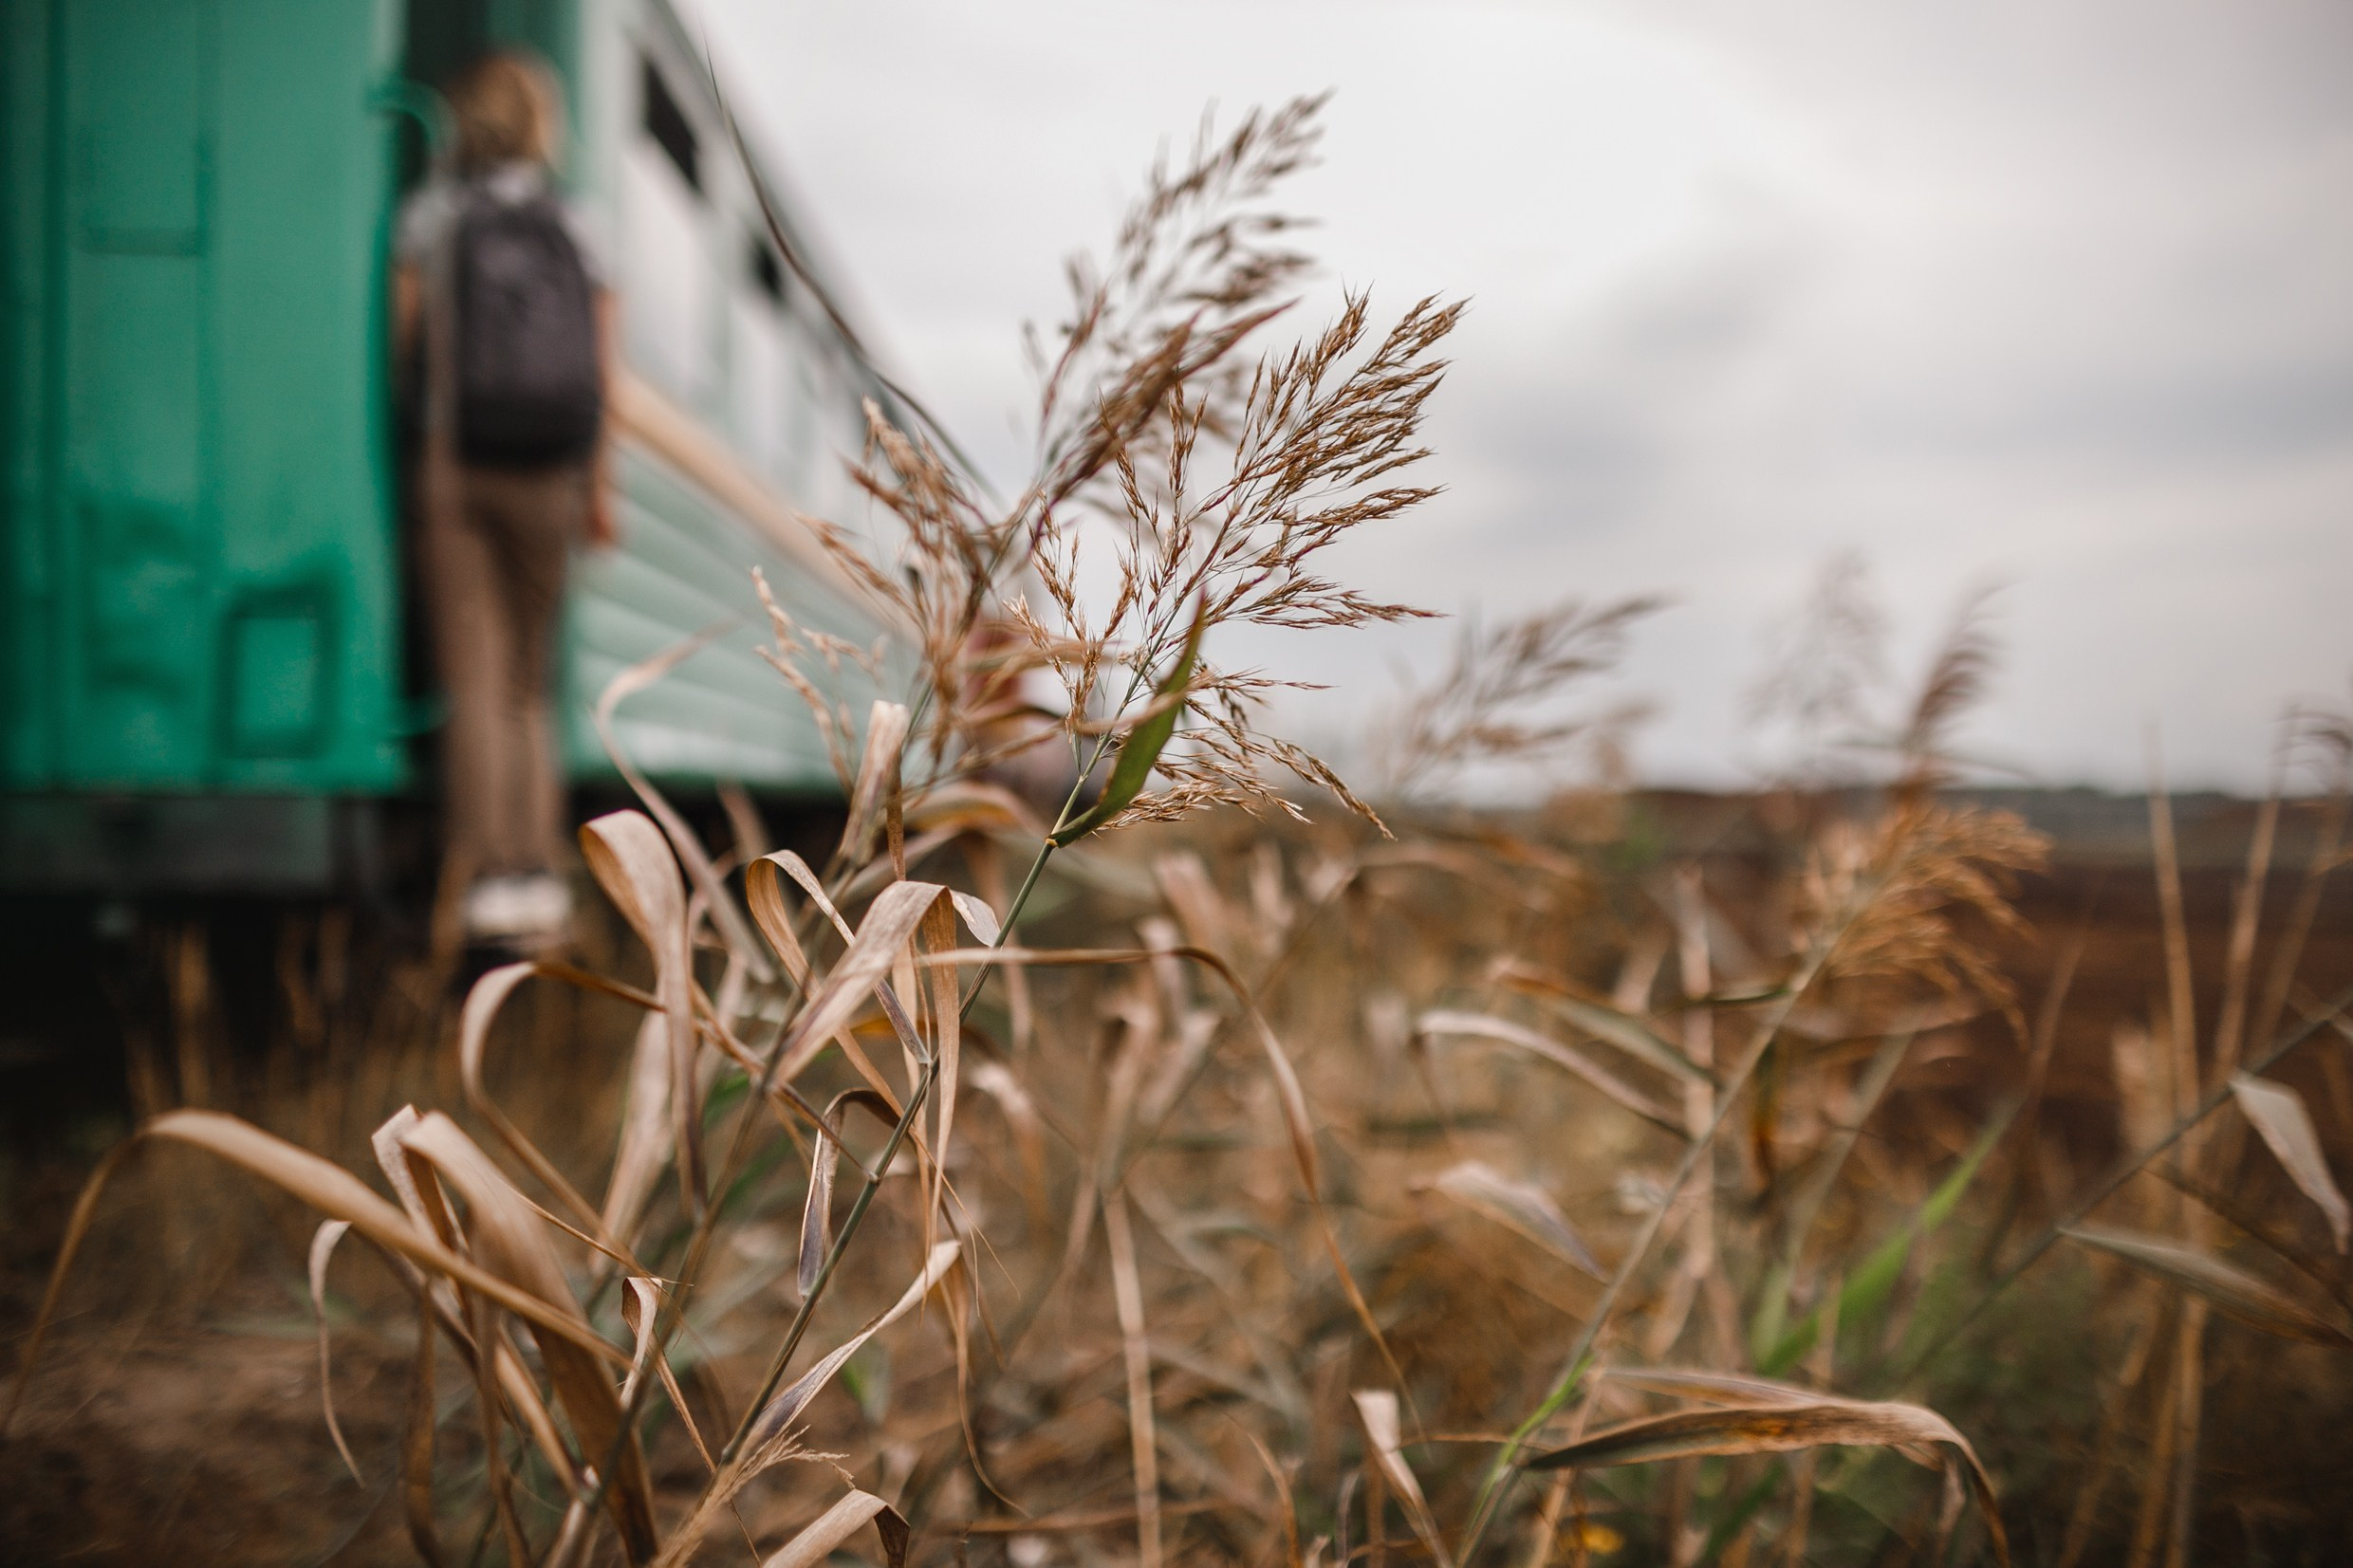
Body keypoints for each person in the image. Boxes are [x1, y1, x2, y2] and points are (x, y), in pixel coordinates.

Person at [393, 51, 617, 947]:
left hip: (456, 465)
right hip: (550, 474)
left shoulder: (431, 217)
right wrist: (598, 489)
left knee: (475, 680)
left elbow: (404, 340)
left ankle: (483, 877)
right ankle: (535, 876)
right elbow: (603, 375)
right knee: (530, 679)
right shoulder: (580, 224)